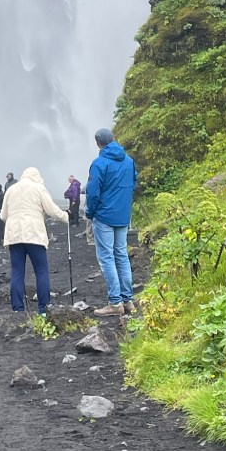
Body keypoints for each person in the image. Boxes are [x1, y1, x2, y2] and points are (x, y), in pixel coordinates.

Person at [1, 167, 69, 314]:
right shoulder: (39, 188)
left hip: (14, 236)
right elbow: (52, 210)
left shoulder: (11, 189)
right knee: (41, 271)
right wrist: (66, 217)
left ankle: (18, 309)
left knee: (17, 272)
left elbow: (3, 215)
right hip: (34, 234)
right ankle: (43, 308)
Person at [86, 128, 137, 316]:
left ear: (98, 143)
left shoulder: (99, 163)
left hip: (104, 217)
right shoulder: (129, 161)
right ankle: (127, 300)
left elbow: (93, 192)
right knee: (121, 255)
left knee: (107, 257)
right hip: (123, 216)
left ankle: (115, 303)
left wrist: (90, 213)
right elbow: (133, 184)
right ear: (113, 139)